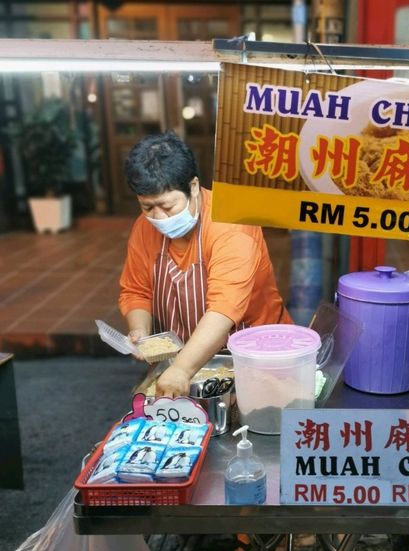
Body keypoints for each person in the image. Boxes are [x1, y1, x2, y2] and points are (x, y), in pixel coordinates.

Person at [119, 131, 291, 397]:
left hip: (256, 359)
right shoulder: (144, 229)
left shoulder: (232, 224)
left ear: (194, 186)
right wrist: (140, 331)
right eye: (147, 207)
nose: (158, 217)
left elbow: (223, 309)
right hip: (187, 360)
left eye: (167, 206)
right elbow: (136, 291)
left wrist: (182, 370)